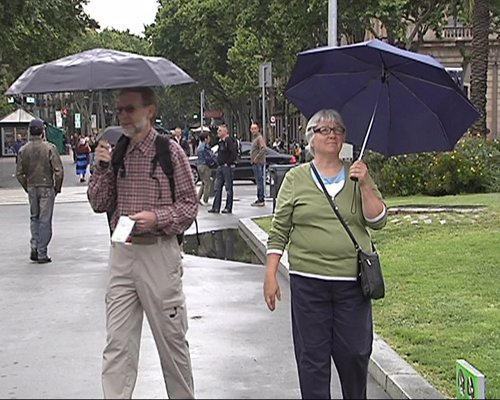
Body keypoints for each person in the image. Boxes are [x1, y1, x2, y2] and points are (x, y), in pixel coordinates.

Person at [263, 108, 387, 399]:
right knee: (312, 359)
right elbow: (280, 229)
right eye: (325, 130)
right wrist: (270, 274)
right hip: (309, 283)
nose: (332, 134)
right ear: (311, 138)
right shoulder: (296, 178)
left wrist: (365, 184)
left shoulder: (357, 174)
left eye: (338, 130)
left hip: (352, 284)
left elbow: (378, 220)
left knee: (355, 354)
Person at [87, 87, 198, 399]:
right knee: (117, 345)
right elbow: (98, 203)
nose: (123, 115)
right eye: (119, 110)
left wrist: (157, 218)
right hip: (122, 252)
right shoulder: (117, 152)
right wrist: (101, 168)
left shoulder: (169, 152)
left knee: (172, 343)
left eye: (130, 109)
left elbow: (189, 206)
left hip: (158, 254)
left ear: (150, 111)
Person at [16, 119, 64, 264]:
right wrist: (57, 188)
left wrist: (27, 186)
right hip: (46, 186)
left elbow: (19, 173)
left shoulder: (23, 150)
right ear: (42, 131)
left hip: (32, 185)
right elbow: (58, 171)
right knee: (45, 220)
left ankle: (34, 245)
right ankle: (42, 251)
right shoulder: (49, 148)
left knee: (34, 217)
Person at [208, 123, 238, 214]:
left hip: (226, 167)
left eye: (220, 130)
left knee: (228, 188)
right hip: (220, 167)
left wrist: (227, 163)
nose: (218, 132)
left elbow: (233, 153)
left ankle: (228, 207)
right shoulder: (220, 142)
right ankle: (216, 207)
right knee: (217, 187)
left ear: (225, 132)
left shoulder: (228, 141)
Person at [196, 131, 215, 205]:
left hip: (199, 165)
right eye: (208, 137)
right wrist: (213, 162)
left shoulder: (199, 146)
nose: (209, 138)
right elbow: (208, 157)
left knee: (203, 182)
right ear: (205, 138)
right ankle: (205, 200)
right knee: (207, 183)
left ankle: (198, 198)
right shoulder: (205, 146)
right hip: (205, 166)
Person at [249, 122, 266, 207]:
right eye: (252, 129)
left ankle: (261, 199)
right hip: (255, 163)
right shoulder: (255, 139)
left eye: (255, 128)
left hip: (258, 163)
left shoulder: (259, 138)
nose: (253, 130)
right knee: (258, 181)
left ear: (258, 129)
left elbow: (263, 149)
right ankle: (259, 198)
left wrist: (256, 158)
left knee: (259, 181)